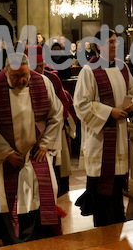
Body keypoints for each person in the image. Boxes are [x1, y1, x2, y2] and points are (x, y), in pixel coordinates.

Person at [0, 53, 64, 244]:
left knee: (38, 198)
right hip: (8, 157)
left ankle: (38, 240)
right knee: (9, 200)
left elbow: (56, 115)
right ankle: (13, 242)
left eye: (24, 75)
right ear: (6, 71)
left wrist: (45, 143)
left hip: (35, 153)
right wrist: (6, 153)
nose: (21, 80)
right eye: (15, 76)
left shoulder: (42, 83)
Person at [73, 28, 133, 227]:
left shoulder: (123, 68)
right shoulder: (89, 71)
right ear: (98, 46)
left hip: (119, 135)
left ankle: (118, 222)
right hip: (101, 138)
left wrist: (132, 106)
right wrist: (110, 112)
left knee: (117, 183)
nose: (114, 45)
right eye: (110, 42)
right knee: (102, 185)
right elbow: (81, 104)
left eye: (115, 42)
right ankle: (102, 226)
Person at [30, 45, 77, 197]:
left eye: (41, 65)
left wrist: (54, 119)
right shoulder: (26, 78)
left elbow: (63, 102)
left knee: (58, 165)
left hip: (53, 127)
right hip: (32, 130)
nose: (39, 69)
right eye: (35, 66)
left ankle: (60, 192)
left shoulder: (52, 78)